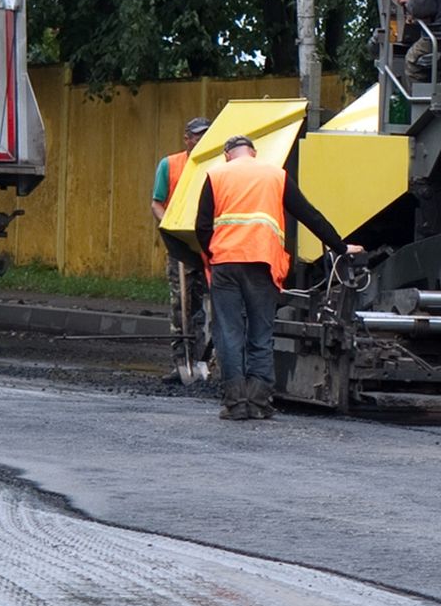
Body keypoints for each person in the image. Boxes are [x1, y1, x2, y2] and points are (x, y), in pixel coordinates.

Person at [194, 135, 351, 421]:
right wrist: (340, 246)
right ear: (253, 152)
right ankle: (259, 402)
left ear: (227, 155)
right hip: (263, 264)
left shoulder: (216, 175)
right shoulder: (276, 175)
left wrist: (214, 255)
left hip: (226, 264)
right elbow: (309, 215)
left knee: (229, 333)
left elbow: (202, 227)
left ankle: (235, 403)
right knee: (261, 333)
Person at [150, 118, 212, 387]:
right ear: (187, 138)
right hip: (180, 246)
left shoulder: (217, 164)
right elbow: (157, 203)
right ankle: (181, 363)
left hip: (209, 246)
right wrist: (170, 230)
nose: (201, 141)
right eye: (197, 136)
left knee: (203, 307)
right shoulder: (170, 164)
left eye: (206, 136)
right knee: (181, 307)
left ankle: (203, 362)